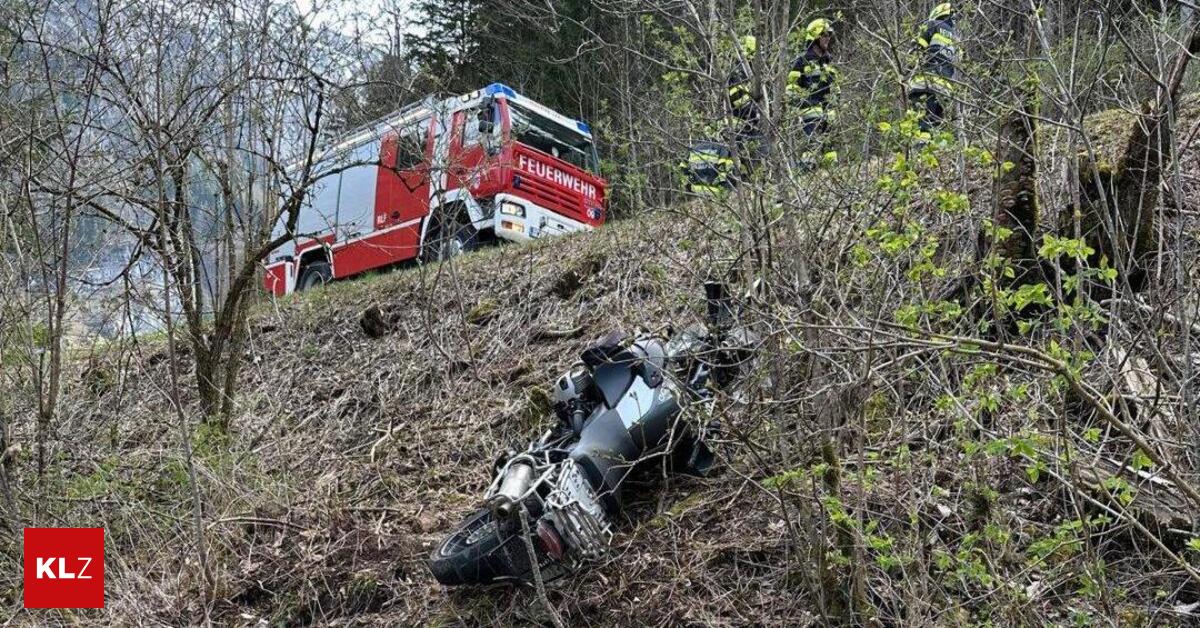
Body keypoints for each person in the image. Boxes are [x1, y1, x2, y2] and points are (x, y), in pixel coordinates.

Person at [788, 18, 839, 167]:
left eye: (829, 35)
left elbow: (835, 86)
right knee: (812, 144)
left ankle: (832, 172)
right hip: (810, 112)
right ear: (815, 37)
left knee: (829, 146)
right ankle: (806, 171)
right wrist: (803, 104)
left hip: (828, 112)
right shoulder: (802, 61)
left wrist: (835, 102)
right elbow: (791, 88)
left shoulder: (828, 62)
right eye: (825, 34)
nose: (828, 38)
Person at [908, 3, 958, 135]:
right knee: (935, 128)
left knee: (920, 125)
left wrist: (905, 72)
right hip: (945, 90)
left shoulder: (931, 25)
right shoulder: (956, 39)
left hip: (924, 83)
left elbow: (915, 52)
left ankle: (920, 147)